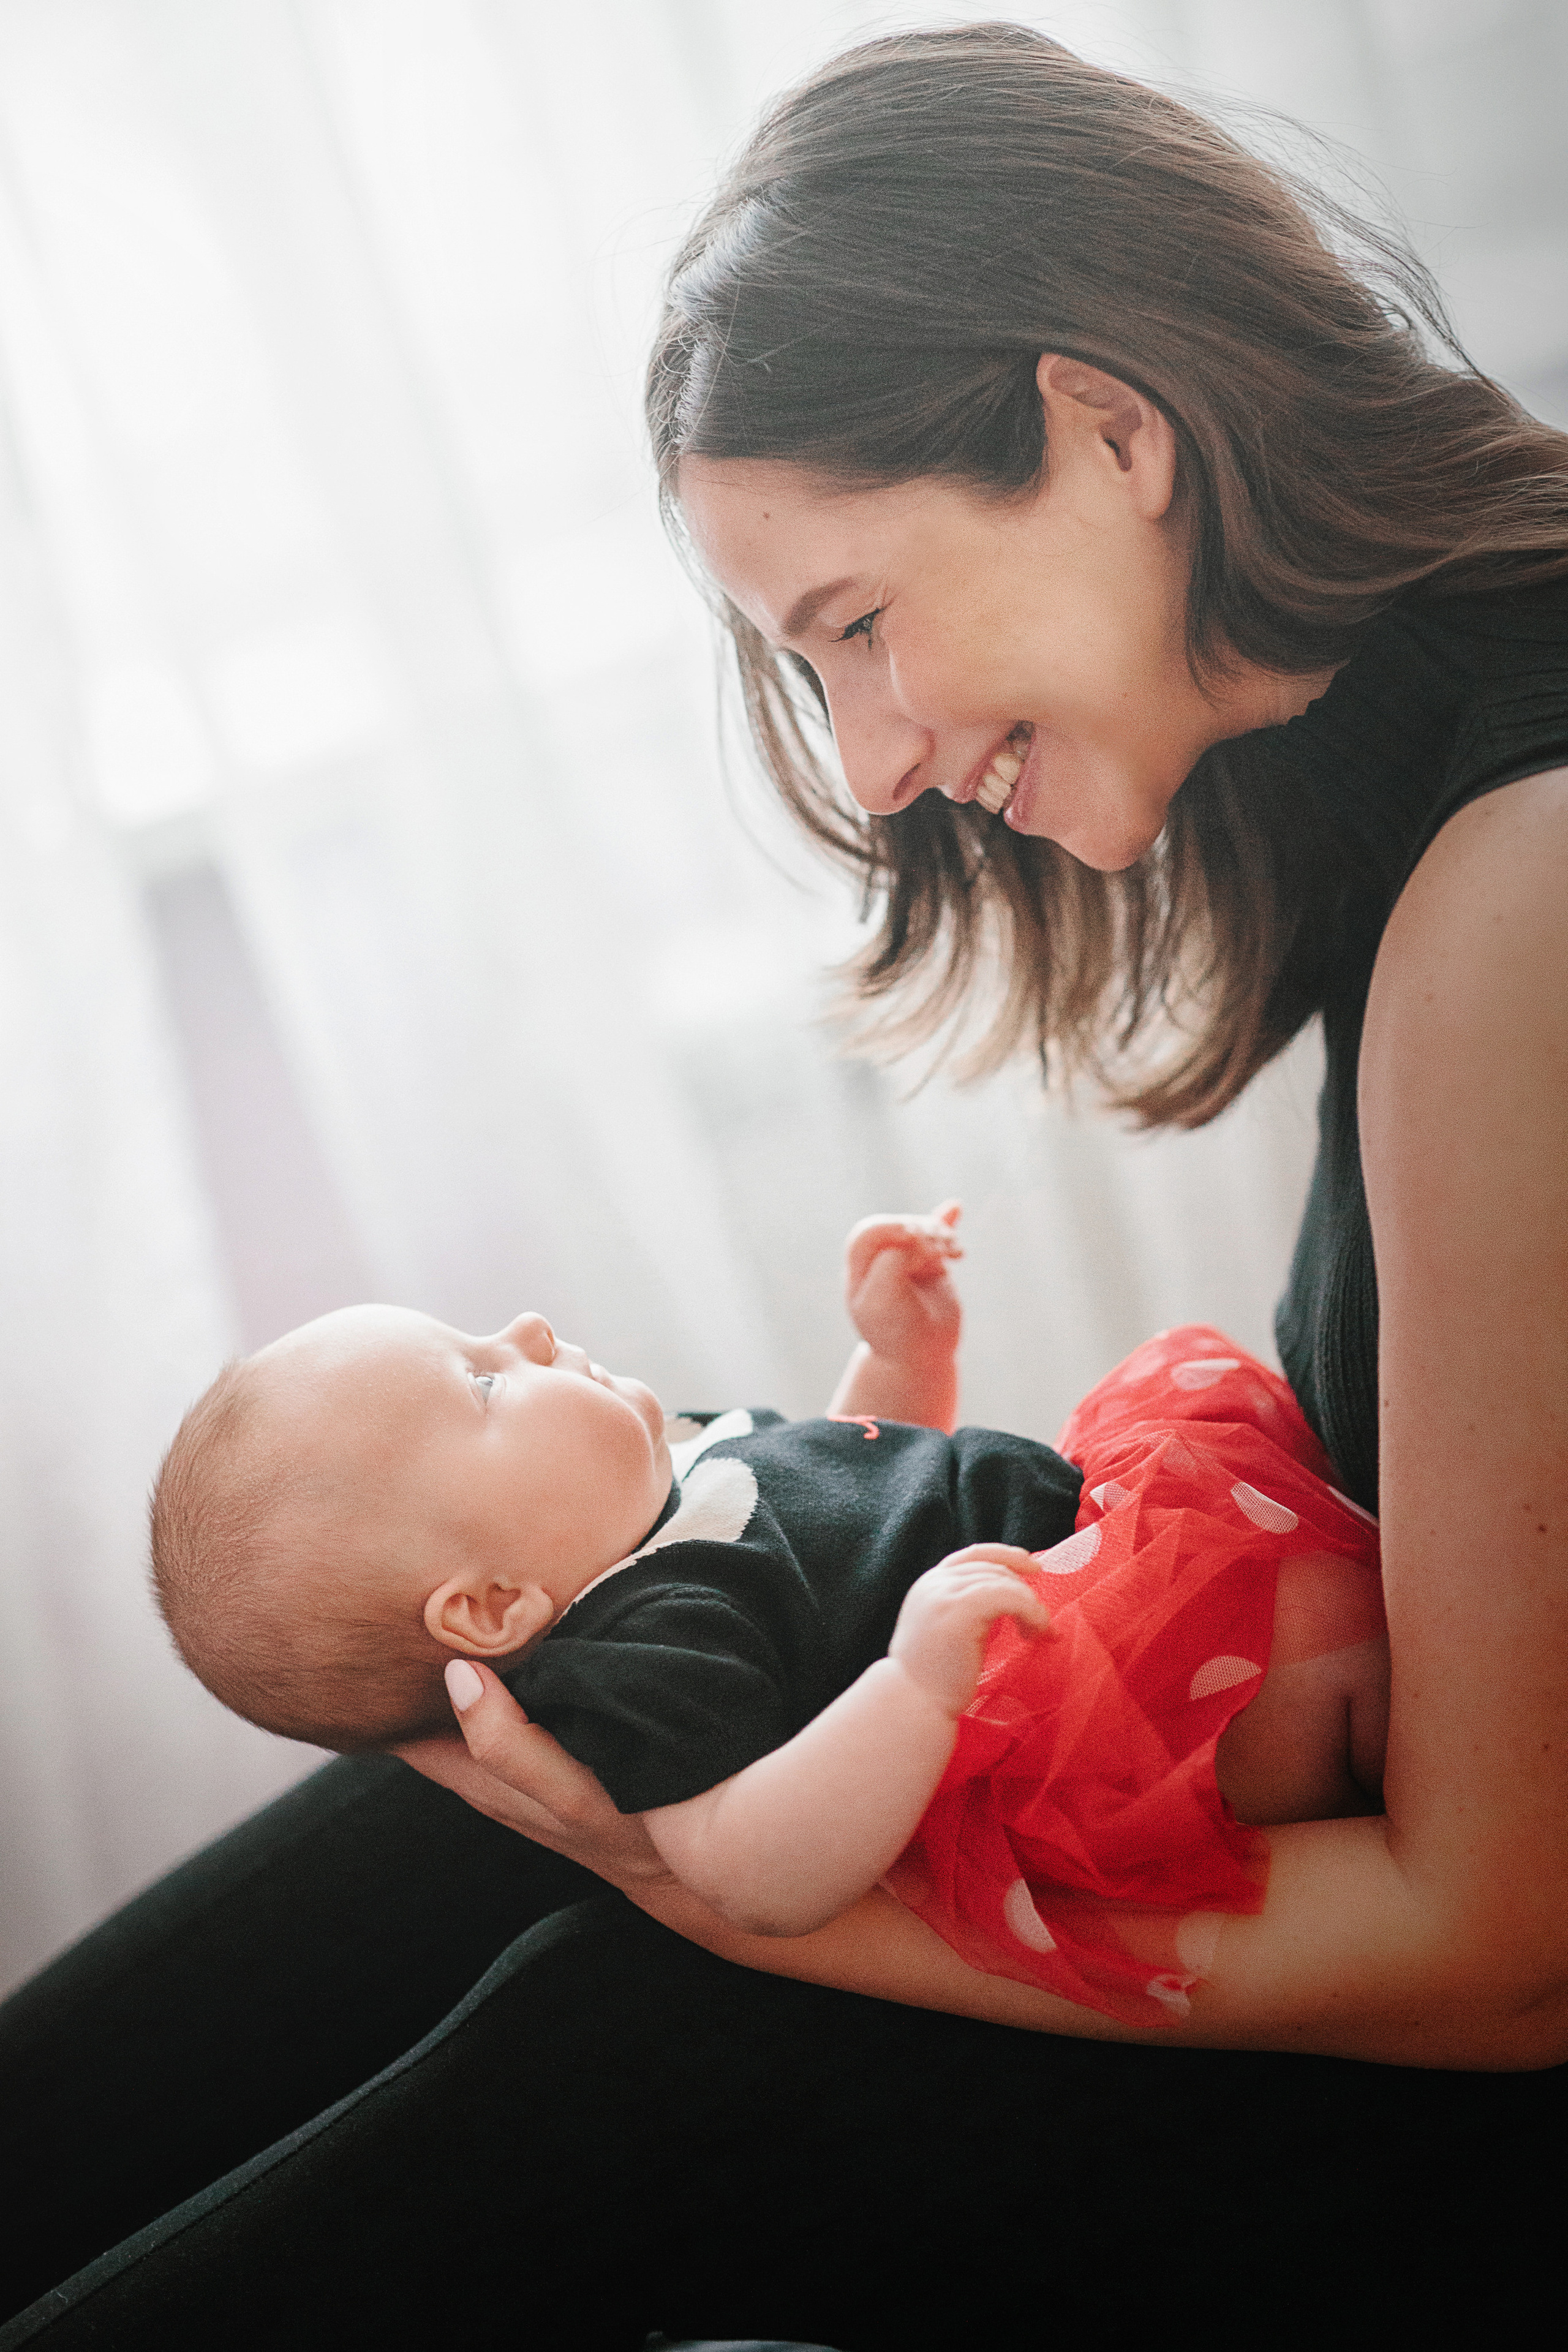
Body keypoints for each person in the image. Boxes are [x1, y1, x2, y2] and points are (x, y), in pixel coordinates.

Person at [3, 21, 1566, 2347]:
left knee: (619, 2031)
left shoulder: (1526, 886)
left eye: (855, 626)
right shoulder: (1377, 757)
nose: (875, 760)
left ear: (1110, 432)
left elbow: (1506, 1952)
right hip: (1324, 1836)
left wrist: (742, 1902)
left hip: (1489, 2089)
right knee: (455, 1771)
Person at [148, 1210, 1386, 2028]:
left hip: (1085, 1551)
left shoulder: (669, 1477)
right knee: (1317, 1640)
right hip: (1072, 1711)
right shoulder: (637, 1654)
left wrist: (898, 1359)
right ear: (488, 1607)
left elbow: (841, 1496)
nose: (524, 1331)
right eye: (480, 1381)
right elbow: (746, 1869)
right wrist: (910, 1686)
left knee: (1304, 1571)